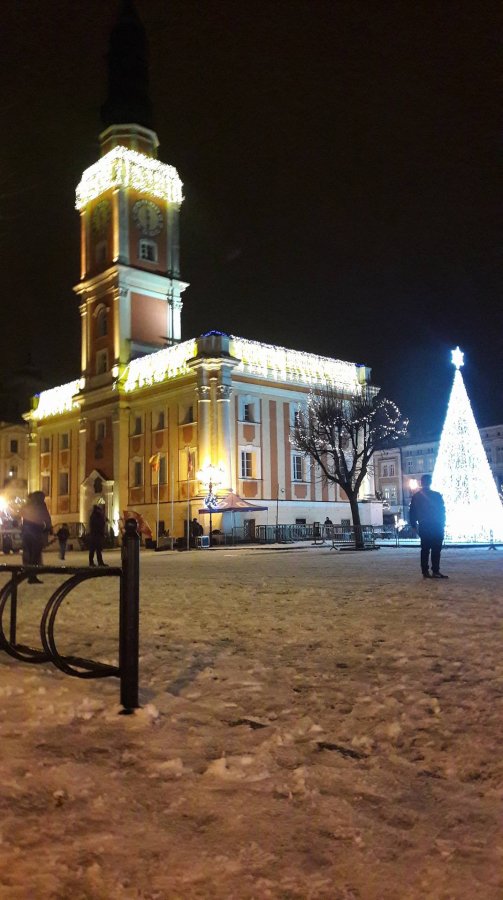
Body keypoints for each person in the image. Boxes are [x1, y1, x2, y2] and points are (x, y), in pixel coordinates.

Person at [409, 474, 448, 579]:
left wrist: (414, 525)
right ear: (430, 482)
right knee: (436, 549)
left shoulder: (416, 496)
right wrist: (442, 523)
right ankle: (435, 570)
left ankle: (425, 571)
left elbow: (412, 512)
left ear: (421, 483)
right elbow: (442, 511)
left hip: (424, 525)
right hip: (436, 525)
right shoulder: (437, 495)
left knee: (425, 549)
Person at [21, 491, 52, 584]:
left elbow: (22, 515)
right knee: (35, 555)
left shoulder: (27, 504)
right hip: (36, 532)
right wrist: (48, 527)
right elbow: (46, 517)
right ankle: (32, 575)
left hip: (26, 532)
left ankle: (28, 573)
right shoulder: (41, 504)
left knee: (28, 553)